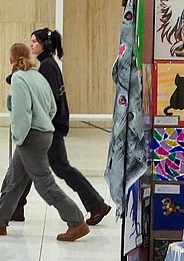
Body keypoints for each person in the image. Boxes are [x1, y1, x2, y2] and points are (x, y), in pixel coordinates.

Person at [0, 43, 89, 241]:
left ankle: (76, 221)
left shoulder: (18, 78)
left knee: (44, 183)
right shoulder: (37, 76)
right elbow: (51, 107)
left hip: (30, 136)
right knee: (14, 179)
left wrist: (19, 136)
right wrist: (43, 122)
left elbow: (23, 113)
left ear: (10, 60)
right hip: (43, 132)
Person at [13, 28, 112, 225]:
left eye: (34, 41)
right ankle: (16, 207)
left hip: (50, 126)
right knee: (28, 165)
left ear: (44, 44)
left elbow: (47, 101)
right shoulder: (48, 64)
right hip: (51, 125)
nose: (31, 44)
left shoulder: (47, 67)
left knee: (59, 167)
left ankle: (96, 204)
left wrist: (43, 124)